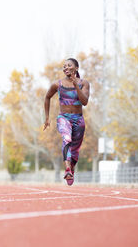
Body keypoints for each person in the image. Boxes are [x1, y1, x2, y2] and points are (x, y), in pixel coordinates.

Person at [43, 58, 90, 186]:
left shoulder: (84, 83)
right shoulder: (57, 84)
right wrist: (47, 117)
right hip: (63, 118)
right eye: (64, 66)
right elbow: (47, 97)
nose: (66, 68)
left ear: (76, 68)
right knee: (67, 138)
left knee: (75, 149)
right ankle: (67, 168)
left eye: (69, 65)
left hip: (78, 120)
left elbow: (84, 102)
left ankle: (72, 168)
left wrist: (76, 85)